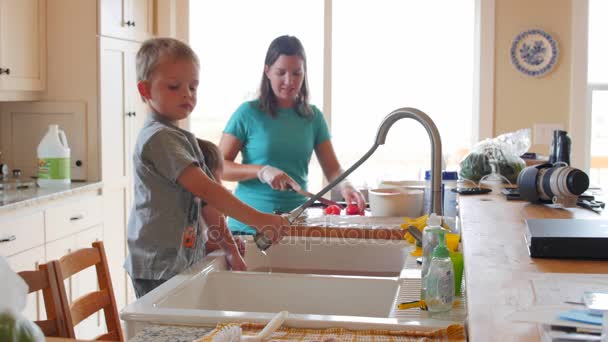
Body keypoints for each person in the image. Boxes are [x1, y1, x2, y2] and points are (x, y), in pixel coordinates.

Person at [124, 37, 287, 298]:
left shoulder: (181, 139)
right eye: (174, 86)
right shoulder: (159, 139)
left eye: (193, 86)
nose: (187, 94)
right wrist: (259, 220)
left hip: (178, 260)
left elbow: (207, 205)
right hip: (158, 265)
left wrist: (231, 250)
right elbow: (210, 191)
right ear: (145, 91)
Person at [219, 35, 366, 235]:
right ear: (267, 71)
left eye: (297, 73)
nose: (289, 81)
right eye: (281, 72)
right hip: (248, 227)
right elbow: (219, 167)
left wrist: (346, 185)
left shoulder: (313, 117)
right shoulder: (247, 113)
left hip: (294, 225)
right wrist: (261, 171)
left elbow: (333, 169)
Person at [196, 138, 246, 269]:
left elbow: (208, 238)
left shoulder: (201, 204)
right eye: (219, 179)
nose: (221, 185)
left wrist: (226, 243)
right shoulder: (195, 207)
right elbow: (198, 246)